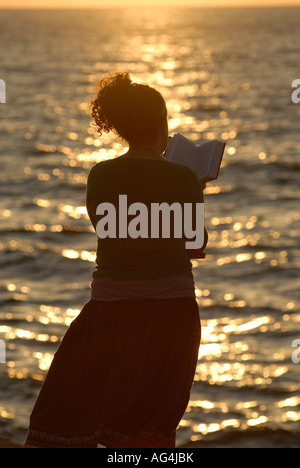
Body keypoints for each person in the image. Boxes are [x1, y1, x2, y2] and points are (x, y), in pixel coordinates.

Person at [25, 72, 207, 448]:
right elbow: (194, 244)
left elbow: (111, 231)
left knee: (65, 412)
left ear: (123, 127)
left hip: (111, 310)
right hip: (172, 313)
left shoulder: (101, 174)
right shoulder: (185, 177)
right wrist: (192, 188)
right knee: (150, 425)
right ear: (162, 126)